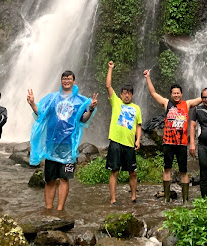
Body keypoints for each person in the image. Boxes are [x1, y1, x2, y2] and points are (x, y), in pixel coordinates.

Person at [143, 69, 207, 203]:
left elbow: (202, 99)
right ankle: (166, 198)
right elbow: (153, 93)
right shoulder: (166, 103)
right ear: (171, 94)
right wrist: (148, 77)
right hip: (168, 143)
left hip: (182, 144)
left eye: (178, 93)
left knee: (184, 171)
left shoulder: (187, 104)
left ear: (181, 94)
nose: (176, 95)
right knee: (167, 169)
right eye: (174, 93)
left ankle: (185, 200)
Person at [27, 70, 97, 211]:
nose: (66, 81)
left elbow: (83, 119)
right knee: (50, 179)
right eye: (64, 78)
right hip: (51, 144)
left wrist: (90, 108)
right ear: (61, 81)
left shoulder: (80, 101)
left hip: (68, 146)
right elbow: (41, 113)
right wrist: (32, 103)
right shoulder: (52, 98)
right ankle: (48, 209)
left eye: (69, 78)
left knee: (64, 178)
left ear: (73, 81)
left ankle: (59, 210)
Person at [105, 61, 142, 205]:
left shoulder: (137, 108)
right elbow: (108, 86)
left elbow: (138, 125)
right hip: (115, 141)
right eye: (124, 93)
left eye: (129, 94)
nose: (127, 96)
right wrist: (110, 68)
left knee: (133, 172)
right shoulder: (116, 102)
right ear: (120, 94)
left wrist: (138, 140)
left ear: (132, 95)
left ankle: (133, 197)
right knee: (114, 171)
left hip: (129, 143)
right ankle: (113, 199)